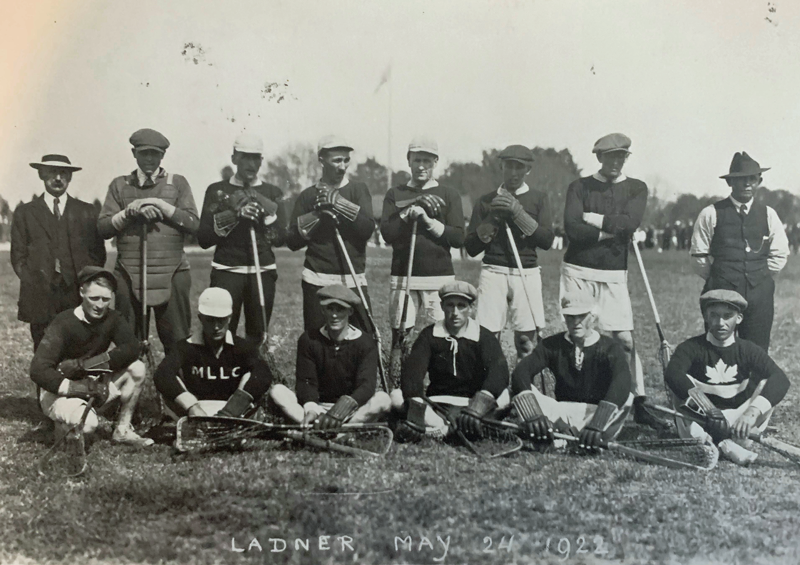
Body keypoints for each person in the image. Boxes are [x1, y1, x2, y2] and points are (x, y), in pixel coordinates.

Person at [561, 132, 666, 430]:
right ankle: (581, 397)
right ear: (599, 157)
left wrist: (590, 219)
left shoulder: (636, 188)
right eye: (611, 156)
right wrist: (611, 229)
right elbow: (572, 228)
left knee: (624, 340)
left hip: (614, 273)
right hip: (578, 269)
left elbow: (629, 224)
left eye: (622, 156)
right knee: (581, 336)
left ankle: (639, 401)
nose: (616, 162)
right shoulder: (579, 186)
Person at [97, 129, 199, 356]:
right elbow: (103, 228)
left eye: (155, 154)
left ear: (163, 155)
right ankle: (129, 387)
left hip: (172, 272)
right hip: (129, 272)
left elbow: (193, 224)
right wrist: (128, 213)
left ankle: (177, 389)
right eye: (144, 154)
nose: (150, 159)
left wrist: (160, 205)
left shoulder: (178, 183)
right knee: (127, 340)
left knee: (177, 339)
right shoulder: (119, 185)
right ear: (134, 153)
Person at [664, 290, 790, 465]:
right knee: (683, 386)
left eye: (727, 316)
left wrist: (750, 414)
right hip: (702, 421)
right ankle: (726, 446)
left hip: (739, 424)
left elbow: (781, 379)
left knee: (767, 383)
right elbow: (673, 374)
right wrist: (708, 410)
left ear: (739, 318)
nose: (720, 323)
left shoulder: (748, 349)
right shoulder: (691, 347)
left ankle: (722, 444)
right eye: (714, 315)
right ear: (706, 317)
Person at [30, 267, 152, 446]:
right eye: (94, 298)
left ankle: (122, 430)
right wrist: (74, 388)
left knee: (137, 368)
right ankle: (62, 425)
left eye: (105, 299)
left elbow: (131, 348)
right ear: (81, 292)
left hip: (93, 386)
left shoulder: (113, 318)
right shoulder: (63, 322)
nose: (100, 305)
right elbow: (38, 370)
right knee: (88, 427)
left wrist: (86, 365)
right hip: (59, 392)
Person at [380, 137, 465, 379]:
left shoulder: (449, 194)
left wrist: (428, 222)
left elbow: (458, 237)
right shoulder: (395, 193)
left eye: (427, 160)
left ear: (436, 162)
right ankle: (399, 385)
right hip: (403, 277)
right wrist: (409, 211)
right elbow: (387, 234)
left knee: (442, 333)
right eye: (416, 159)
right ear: (408, 161)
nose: (421, 165)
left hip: (438, 278)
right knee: (400, 336)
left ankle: (442, 383)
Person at [690, 152, 789, 351]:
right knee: (717, 349)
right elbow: (699, 257)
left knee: (756, 351)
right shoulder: (711, 213)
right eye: (741, 179)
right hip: (721, 293)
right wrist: (720, 278)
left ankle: (751, 384)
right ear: (730, 183)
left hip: (759, 294)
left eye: (752, 179)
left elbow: (780, 254)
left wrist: (758, 277)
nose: (747, 184)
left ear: (759, 181)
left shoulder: (769, 214)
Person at [509, 293, 633, 451]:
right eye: (570, 317)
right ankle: (559, 432)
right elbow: (521, 372)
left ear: (593, 316)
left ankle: (562, 438)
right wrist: (534, 413)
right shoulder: (552, 344)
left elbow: (622, 380)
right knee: (523, 390)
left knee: (627, 398)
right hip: (560, 412)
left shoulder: (609, 347)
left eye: (582, 316)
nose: (575, 323)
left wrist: (597, 423)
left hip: (594, 414)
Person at [464, 144, 554, 360]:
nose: (514, 173)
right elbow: (472, 247)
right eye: (509, 167)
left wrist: (518, 213)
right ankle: (491, 388)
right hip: (493, 271)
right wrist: (493, 217)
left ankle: (523, 388)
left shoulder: (539, 198)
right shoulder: (486, 200)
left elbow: (546, 240)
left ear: (528, 170)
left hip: (527, 272)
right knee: (487, 338)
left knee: (525, 341)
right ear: (501, 167)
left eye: (519, 168)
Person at [393, 281, 509, 441]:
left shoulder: (483, 336)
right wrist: (419, 403)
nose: (455, 312)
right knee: (396, 396)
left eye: (461, 306)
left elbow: (499, 373)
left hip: (474, 405)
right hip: (437, 405)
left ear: (471, 308)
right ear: (442, 306)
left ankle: (439, 431)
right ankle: (448, 428)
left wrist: (479, 403)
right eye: (450, 305)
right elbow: (412, 374)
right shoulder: (429, 335)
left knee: (504, 395)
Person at [11, 154, 106, 351]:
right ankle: (46, 382)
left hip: (76, 293)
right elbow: (18, 256)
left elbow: (98, 253)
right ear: (41, 174)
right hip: (40, 294)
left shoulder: (86, 212)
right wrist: (34, 280)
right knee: (44, 349)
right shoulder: (25, 212)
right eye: (52, 172)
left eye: (63, 173)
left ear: (70, 177)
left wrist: (86, 283)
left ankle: (76, 382)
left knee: (79, 346)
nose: (58, 178)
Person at [197, 133, 286, 340]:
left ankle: (252, 372)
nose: (251, 163)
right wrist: (233, 216)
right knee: (223, 334)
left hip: (262, 271)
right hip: (227, 270)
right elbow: (204, 239)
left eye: (256, 158)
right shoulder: (217, 190)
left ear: (261, 161)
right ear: (234, 158)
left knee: (257, 335)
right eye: (245, 157)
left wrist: (265, 215)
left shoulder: (272, 192)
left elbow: (282, 239)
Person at [286, 136, 375, 332]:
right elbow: (292, 241)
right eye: (336, 160)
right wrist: (317, 216)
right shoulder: (308, 195)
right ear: (321, 160)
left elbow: (367, 230)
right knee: (317, 338)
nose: (342, 166)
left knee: (364, 336)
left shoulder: (358, 190)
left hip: (352, 278)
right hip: (317, 279)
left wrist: (340, 204)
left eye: (346, 160)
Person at [269, 285, 390, 429]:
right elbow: (306, 381)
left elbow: (366, 386)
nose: (334, 315)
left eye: (340, 309)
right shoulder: (309, 339)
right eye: (330, 309)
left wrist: (341, 410)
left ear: (350, 311)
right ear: (322, 310)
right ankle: (325, 427)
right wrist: (311, 408)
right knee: (277, 391)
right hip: (318, 408)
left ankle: (336, 431)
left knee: (383, 400)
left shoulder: (365, 343)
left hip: (351, 410)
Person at [153, 287, 273, 419]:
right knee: (172, 378)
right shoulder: (186, 346)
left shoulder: (241, 347)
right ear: (200, 318)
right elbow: (162, 374)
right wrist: (192, 406)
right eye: (210, 320)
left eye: (221, 320)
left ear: (229, 318)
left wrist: (231, 410)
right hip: (196, 409)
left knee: (252, 372)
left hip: (233, 411)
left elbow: (263, 374)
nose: (216, 327)